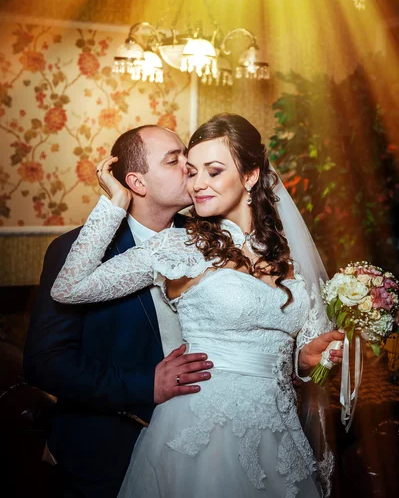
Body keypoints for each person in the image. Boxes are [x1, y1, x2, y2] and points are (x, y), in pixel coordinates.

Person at [51, 114, 344, 498]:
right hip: (201, 430)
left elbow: (288, 354)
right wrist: (116, 202)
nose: (198, 184)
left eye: (214, 171)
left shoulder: (286, 255)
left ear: (251, 175)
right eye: (191, 171)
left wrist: (306, 362)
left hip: (279, 430)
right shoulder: (181, 247)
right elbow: (69, 288)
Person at [23, 125, 213, 498]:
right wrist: (146, 386)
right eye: (174, 160)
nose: (189, 166)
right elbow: (45, 362)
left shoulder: (209, 239)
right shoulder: (75, 252)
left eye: (187, 156)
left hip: (201, 440)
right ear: (136, 183)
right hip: (110, 449)